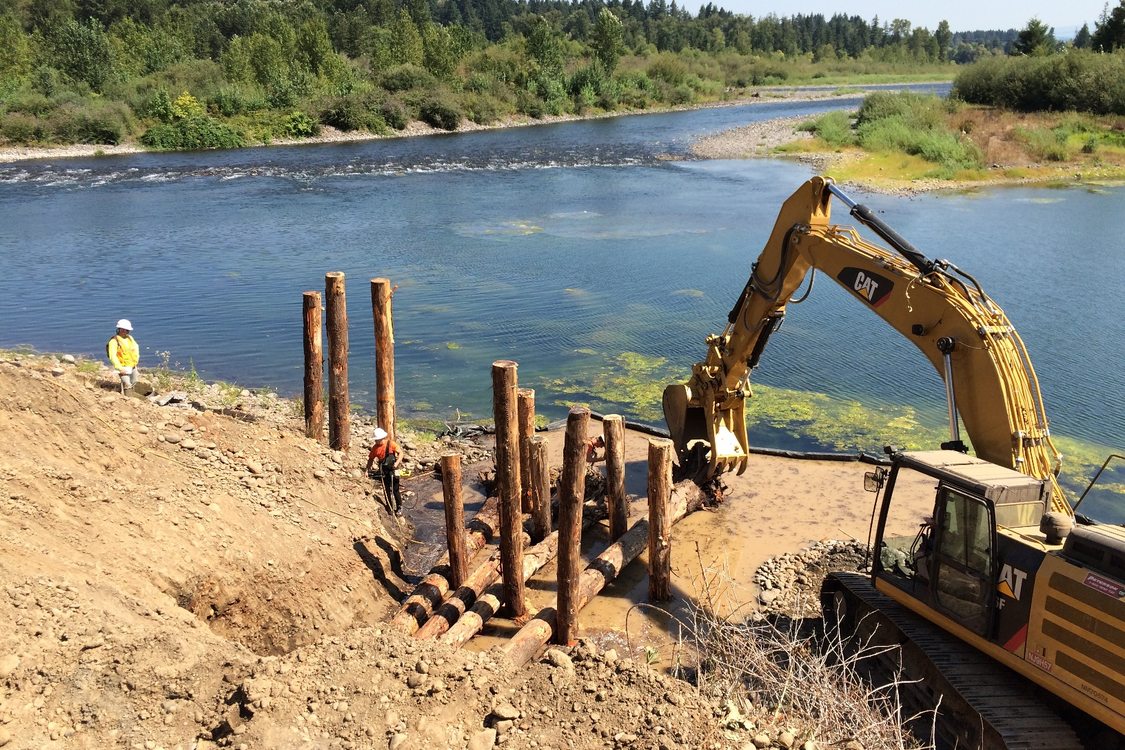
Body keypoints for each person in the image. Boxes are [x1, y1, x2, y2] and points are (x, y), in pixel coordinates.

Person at [365, 427, 403, 514]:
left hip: (394, 469)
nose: (376, 442)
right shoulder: (375, 448)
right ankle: (389, 506)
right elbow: (370, 459)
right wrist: (367, 470)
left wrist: (396, 463)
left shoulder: (391, 444)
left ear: (382, 438)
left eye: (377, 440)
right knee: (386, 489)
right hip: (384, 470)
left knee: (395, 489)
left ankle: (399, 507)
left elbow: (401, 453)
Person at [107, 319, 140, 394]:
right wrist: (119, 368)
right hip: (123, 367)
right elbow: (113, 356)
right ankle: (128, 399)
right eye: (124, 330)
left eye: (127, 330)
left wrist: (136, 361)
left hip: (133, 365)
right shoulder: (114, 341)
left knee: (134, 382)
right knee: (127, 384)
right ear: (119, 329)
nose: (126, 331)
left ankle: (131, 397)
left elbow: (136, 348)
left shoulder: (130, 338)